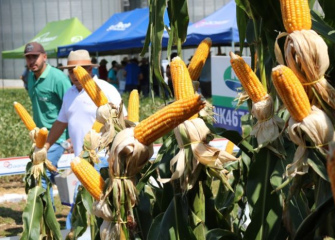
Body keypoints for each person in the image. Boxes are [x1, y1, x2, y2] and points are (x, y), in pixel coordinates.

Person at [44, 49, 127, 228]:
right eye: (71, 70)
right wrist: (46, 145)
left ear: (90, 69)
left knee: (97, 210)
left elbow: (124, 120)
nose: (75, 74)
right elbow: (60, 123)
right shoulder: (69, 94)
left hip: (104, 159)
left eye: (80, 69)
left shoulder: (106, 89)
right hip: (81, 161)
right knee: (85, 209)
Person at [24, 42, 72, 203]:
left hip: (58, 137)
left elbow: (71, 106)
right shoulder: (30, 76)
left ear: (44, 57)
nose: (32, 61)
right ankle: (63, 200)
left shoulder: (58, 78)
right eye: (28, 58)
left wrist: (70, 138)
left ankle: (45, 214)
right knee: (46, 174)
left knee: (41, 173)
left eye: (35, 57)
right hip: (40, 137)